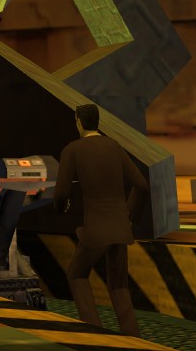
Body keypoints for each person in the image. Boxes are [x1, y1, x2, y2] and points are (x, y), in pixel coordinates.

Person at [53, 103, 148, 336]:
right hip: (121, 228)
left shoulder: (73, 150)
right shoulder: (114, 146)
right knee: (119, 285)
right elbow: (141, 185)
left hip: (96, 231)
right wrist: (129, 215)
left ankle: (94, 331)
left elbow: (62, 192)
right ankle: (132, 335)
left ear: (78, 122)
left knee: (76, 274)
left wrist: (61, 208)